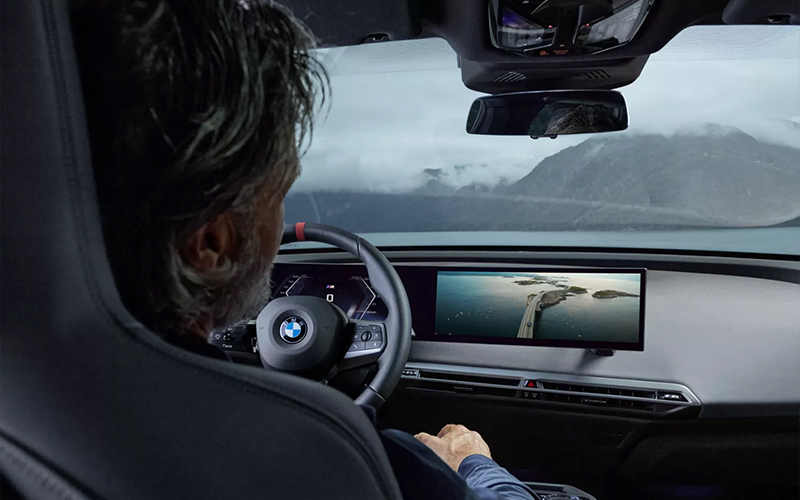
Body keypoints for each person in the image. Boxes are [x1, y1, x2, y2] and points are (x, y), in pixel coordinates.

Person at [71, 1, 537, 499]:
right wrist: (473, 467)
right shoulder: (337, 454)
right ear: (211, 244)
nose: (281, 228)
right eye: (278, 195)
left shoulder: (49, 396)